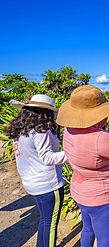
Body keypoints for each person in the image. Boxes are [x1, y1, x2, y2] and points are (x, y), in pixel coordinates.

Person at [56, 85, 109, 247]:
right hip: (100, 198)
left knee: (88, 229)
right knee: (105, 239)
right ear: (100, 117)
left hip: (80, 192)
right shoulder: (100, 138)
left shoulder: (69, 130)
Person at [7, 94, 68, 247]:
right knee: (51, 224)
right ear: (45, 113)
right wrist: (72, 154)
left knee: (44, 219)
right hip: (48, 184)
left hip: (32, 183)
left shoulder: (21, 130)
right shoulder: (41, 131)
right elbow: (47, 158)